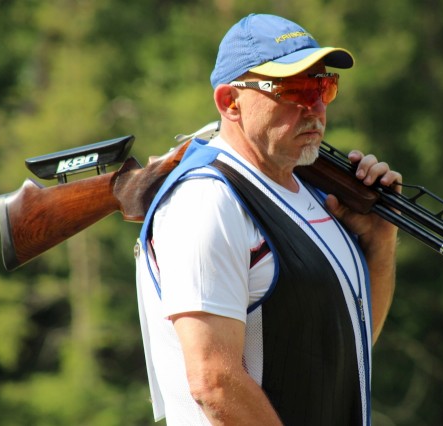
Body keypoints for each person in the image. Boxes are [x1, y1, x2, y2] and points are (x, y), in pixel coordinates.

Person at [135, 13, 401, 425]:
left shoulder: (312, 194)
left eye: (323, 86)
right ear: (230, 102)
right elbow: (214, 383)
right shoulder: (206, 201)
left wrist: (381, 243)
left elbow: (349, 349)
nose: (314, 107)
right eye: (293, 89)